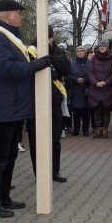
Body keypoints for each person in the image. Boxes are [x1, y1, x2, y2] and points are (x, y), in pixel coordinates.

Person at [0, 0, 52, 218]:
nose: (21, 17)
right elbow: (3, 68)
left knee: (9, 155)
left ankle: (3, 197)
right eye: (19, 13)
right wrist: (33, 67)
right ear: (9, 15)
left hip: (12, 107)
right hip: (2, 107)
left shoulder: (8, 38)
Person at [26, 25, 71, 182]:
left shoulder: (58, 51)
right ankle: (39, 172)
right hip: (35, 100)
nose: (46, 40)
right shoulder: (30, 51)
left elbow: (65, 70)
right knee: (36, 138)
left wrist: (51, 54)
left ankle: (54, 171)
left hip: (54, 100)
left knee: (55, 138)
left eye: (48, 38)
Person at [88, 41, 112, 138]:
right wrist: (96, 82)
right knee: (97, 109)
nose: (102, 47)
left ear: (107, 47)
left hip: (107, 87)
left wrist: (105, 82)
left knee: (106, 108)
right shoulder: (94, 59)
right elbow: (90, 73)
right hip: (95, 87)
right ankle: (98, 129)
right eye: (100, 46)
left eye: (104, 46)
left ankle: (105, 129)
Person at [67, 46, 91, 136]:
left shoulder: (90, 63)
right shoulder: (71, 63)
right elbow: (68, 74)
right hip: (75, 89)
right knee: (76, 111)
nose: (80, 52)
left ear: (85, 53)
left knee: (86, 111)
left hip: (86, 90)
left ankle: (85, 129)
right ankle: (76, 129)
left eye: (82, 51)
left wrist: (85, 79)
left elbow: (92, 74)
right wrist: (76, 79)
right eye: (78, 51)